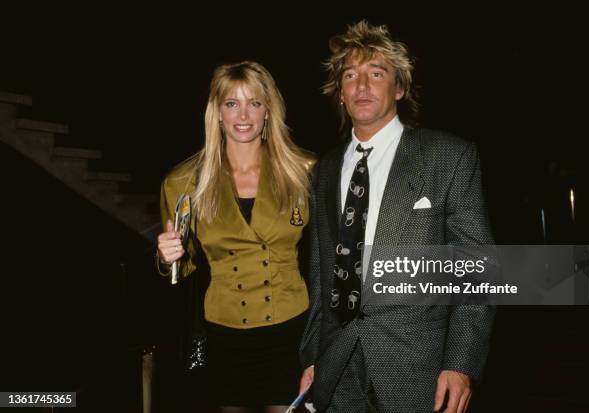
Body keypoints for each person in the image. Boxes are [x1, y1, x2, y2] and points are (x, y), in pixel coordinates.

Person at [299, 21, 495, 412]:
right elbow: (322, 274)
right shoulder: (322, 171)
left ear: (400, 87)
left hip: (417, 368)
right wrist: (311, 356)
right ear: (340, 93)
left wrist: (460, 363)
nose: (361, 86)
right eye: (350, 76)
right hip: (337, 368)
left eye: (376, 73)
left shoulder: (448, 156)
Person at [156, 61, 315, 412]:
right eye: (232, 103)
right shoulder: (183, 183)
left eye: (254, 103)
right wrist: (167, 257)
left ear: (268, 110)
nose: (243, 114)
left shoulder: (305, 173)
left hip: (291, 332)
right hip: (224, 336)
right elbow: (180, 268)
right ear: (217, 112)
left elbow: (326, 259)